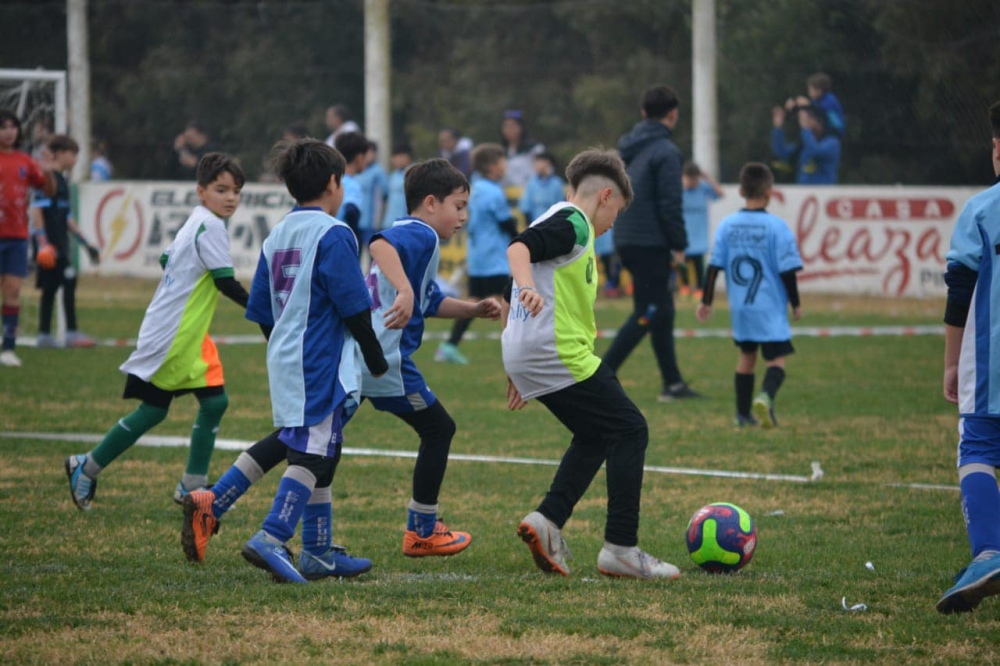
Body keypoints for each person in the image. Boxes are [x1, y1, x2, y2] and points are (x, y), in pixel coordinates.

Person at [182, 158, 498, 568]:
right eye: (459, 206)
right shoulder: (419, 234)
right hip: (380, 359)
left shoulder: (294, 233)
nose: (463, 216)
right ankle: (421, 530)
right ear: (431, 203)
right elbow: (381, 246)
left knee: (300, 439)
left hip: (352, 356)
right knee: (436, 428)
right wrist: (402, 291)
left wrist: (471, 310)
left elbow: (427, 299)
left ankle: (231, 508)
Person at [502, 148, 680, 580]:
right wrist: (526, 291)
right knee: (630, 428)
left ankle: (547, 520)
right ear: (605, 196)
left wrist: (515, 357)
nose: (614, 221)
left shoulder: (565, 221)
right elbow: (519, 250)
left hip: (534, 351)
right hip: (555, 352)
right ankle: (621, 547)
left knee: (596, 434)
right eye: (616, 209)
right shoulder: (575, 225)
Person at [64, 153, 250, 510]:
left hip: (188, 333)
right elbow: (227, 284)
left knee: (214, 401)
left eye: (236, 191)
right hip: (174, 335)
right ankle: (86, 467)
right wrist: (267, 313)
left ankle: (191, 486)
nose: (231, 198)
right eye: (221, 189)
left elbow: (167, 258)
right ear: (201, 191)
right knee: (154, 410)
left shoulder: (199, 220)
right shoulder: (210, 226)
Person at [240, 138, 387, 584]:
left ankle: (319, 552)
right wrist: (375, 358)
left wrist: (284, 345)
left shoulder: (277, 234)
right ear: (332, 183)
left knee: (323, 448)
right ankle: (272, 535)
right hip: (318, 358)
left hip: (285, 356)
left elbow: (263, 311)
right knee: (313, 453)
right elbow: (354, 305)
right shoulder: (334, 232)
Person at [936, 101, 1000, 614]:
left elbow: (960, 289)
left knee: (977, 447)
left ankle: (988, 552)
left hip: (992, 362)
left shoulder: (982, 209)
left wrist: (951, 361)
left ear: (997, 150)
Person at [603, 84, 700, 402]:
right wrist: (680, 243)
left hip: (626, 236)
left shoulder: (626, 149)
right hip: (650, 241)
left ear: (644, 113)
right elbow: (670, 203)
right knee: (650, 310)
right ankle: (602, 375)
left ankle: (672, 384)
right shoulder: (667, 153)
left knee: (663, 310)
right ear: (673, 115)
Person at [695, 163, 802, 429]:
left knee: (747, 357)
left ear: (742, 190)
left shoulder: (727, 226)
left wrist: (705, 301)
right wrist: (796, 303)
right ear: (769, 191)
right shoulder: (777, 227)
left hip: (741, 307)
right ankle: (765, 398)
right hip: (769, 306)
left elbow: (713, 268)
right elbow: (788, 271)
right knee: (776, 360)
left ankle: (742, 415)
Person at [437, 143, 514, 364]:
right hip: (495, 259)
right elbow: (507, 223)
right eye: (502, 162)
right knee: (510, 301)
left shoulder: (475, 188)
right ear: (492, 166)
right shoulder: (494, 192)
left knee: (475, 302)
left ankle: (449, 346)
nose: (505, 166)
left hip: (478, 257)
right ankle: (516, 350)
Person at [30, 134, 101, 348]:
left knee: (56, 285)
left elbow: (67, 217)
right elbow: (36, 211)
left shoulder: (61, 180)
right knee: (63, 282)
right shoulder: (47, 179)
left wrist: (86, 243)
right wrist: (43, 244)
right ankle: (66, 332)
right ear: (60, 154)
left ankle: (48, 334)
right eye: (73, 154)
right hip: (50, 245)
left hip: (60, 243)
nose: (76, 160)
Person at [0, 109, 56, 368]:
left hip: (17, 237)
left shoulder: (25, 161)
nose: (9, 131)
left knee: (12, 292)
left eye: (13, 126)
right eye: (4, 126)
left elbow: (48, 190)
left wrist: (49, 172)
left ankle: (8, 348)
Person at [678, 161, 724, 300]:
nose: (691, 182)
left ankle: (699, 288)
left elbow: (720, 194)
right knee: (682, 260)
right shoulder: (678, 188)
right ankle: (685, 286)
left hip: (699, 232)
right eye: (689, 178)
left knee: (698, 262)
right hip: (683, 232)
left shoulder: (703, 188)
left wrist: (707, 178)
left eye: (694, 179)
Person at [771, 104, 841, 185]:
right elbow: (780, 153)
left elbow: (815, 151)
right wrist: (778, 127)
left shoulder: (833, 143)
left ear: (820, 121)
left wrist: (805, 128)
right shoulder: (805, 143)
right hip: (804, 194)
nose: (806, 123)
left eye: (809, 119)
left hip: (824, 195)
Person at [334, 131, 369, 247]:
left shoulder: (332, 179)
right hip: (342, 239)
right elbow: (351, 210)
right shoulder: (352, 184)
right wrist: (356, 239)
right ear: (360, 158)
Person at [354, 139, 389, 251]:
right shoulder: (358, 170)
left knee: (372, 251)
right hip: (357, 220)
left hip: (372, 222)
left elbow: (384, 196)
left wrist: (379, 220)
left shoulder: (378, 172)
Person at [500, 109, 545, 189]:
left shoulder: (535, 149)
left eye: (512, 126)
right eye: (506, 127)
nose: (509, 130)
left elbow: (542, 171)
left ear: (521, 127)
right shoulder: (502, 151)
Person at [518, 152, 566, 224]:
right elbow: (526, 206)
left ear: (547, 163)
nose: (535, 165)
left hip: (552, 224)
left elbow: (560, 206)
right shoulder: (531, 183)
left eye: (538, 162)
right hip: (535, 224)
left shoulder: (556, 183)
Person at [381, 142, 413, 229]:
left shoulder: (413, 174)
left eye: (398, 157)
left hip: (404, 223)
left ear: (407, 157)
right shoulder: (393, 175)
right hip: (389, 222)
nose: (394, 160)